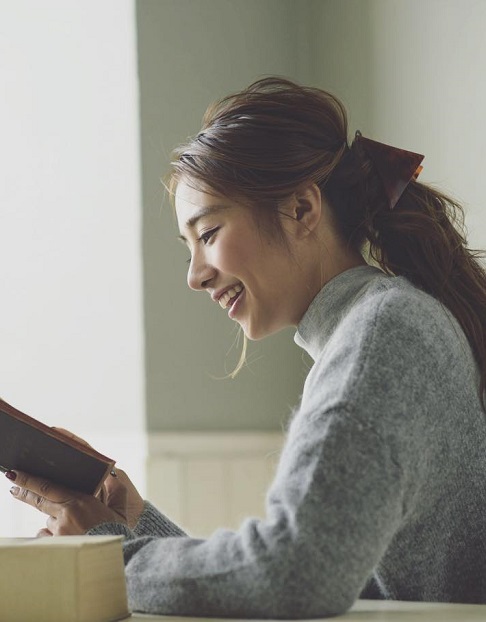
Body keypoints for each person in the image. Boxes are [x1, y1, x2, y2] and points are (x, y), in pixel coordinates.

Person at [5, 77, 486, 618]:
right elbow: (325, 579)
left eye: (207, 233)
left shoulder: (380, 338)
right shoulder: (380, 328)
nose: (194, 276)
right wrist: (137, 521)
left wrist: (111, 554)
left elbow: (294, 575)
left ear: (303, 209)